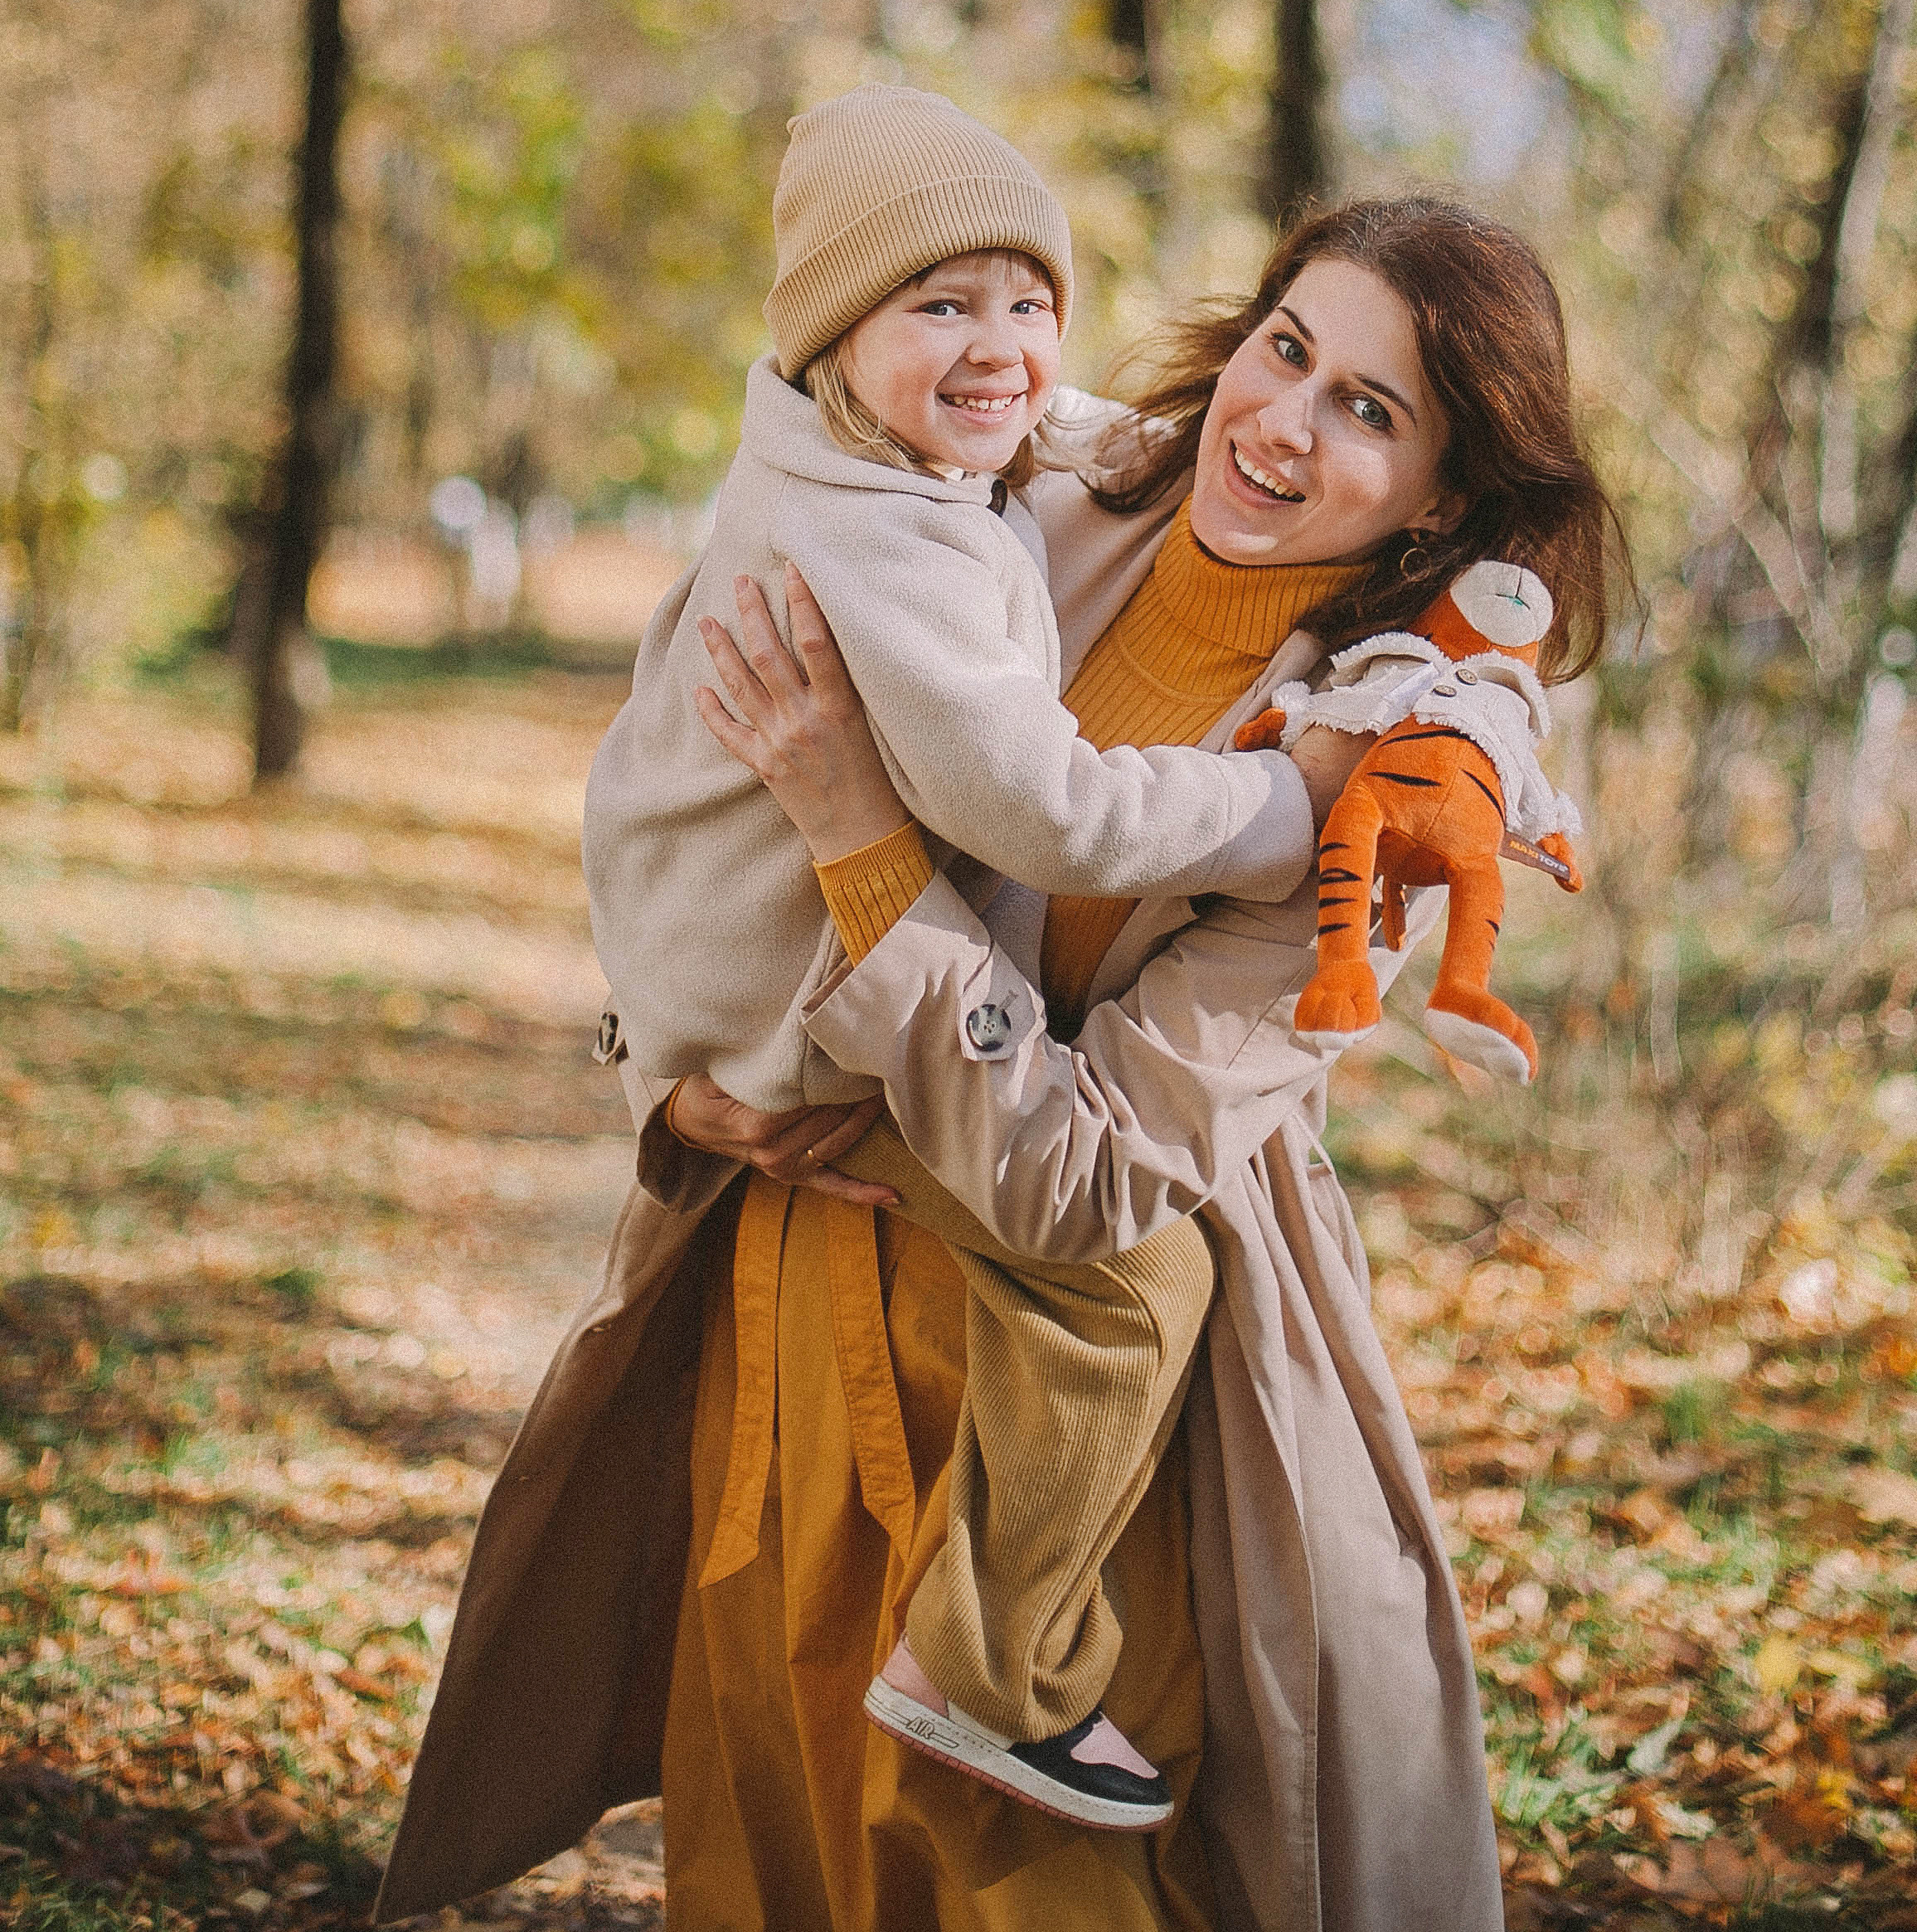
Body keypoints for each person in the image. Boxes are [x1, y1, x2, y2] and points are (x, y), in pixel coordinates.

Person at [376, 188, 1626, 1932]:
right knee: (777, 1844)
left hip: (1069, 1450)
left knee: (1026, 1885)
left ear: (1445, 499)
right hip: (789, 1331)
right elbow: (691, 804)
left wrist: (860, 829)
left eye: (1372, 408)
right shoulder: (1025, 493)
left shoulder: (1372, 771)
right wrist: (664, 1073)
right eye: (1289, 348)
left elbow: (1093, 1180)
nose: (1285, 420)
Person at [581, 82, 1361, 1826]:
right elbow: (1050, 812)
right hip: (792, 1027)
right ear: (835, 335)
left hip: (766, 982)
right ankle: (990, 1661)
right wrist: (1277, 804)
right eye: (942, 303)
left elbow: (1044, 421)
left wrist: (1075, 422)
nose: (1003, 346)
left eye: (1030, 298)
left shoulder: (863, 447)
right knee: (1129, 1286)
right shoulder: (888, 538)